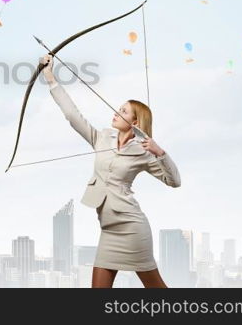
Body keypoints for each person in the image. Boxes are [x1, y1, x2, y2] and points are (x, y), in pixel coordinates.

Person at [40, 53, 181, 288]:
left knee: (156, 289)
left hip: (132, 228)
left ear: (135, 122)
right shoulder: (103, 138)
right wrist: (50, 77)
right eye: (119, 108)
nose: (116, 112)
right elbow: (73, 116)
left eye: (124, 111)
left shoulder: (144, 150)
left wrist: (160, 153)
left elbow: (174, 181)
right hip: (108, 230)